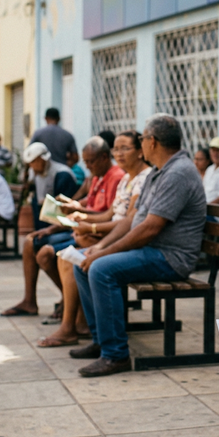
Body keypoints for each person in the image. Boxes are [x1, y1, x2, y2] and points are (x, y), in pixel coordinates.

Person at [69, 114, 205, 377]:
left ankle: (116, 355)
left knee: (100, 269)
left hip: (170, 257)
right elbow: (133, 220)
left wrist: (105, 253)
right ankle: (101, 340)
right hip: (152, 250)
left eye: (142, 139)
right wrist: (100, 247)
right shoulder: (158, 171)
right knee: (83, 261)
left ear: (152, 142)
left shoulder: (177, 173)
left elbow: (150, 228)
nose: (141, 143)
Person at [37, 130, 151, 347]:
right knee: (69, 257)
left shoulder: (142, 179)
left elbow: (129, 222)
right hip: (111, 234)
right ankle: (84, 327)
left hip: (124, 239)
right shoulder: (127, 177)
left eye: (125, 148)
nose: (119, 153)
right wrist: (84, 217)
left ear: (140, 151)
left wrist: (94, 230)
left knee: (76, 260)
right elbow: (109, 213)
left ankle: (81, 328)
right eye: (116, 148)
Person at [0, 141, 79, 317]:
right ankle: (29, 301)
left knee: (44, 252)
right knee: (29, 243)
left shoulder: (62, 175)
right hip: (50, 227)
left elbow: (68, 212)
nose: (33, 167)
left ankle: (70, 298)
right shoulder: (37, 174)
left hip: (65, 228)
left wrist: (50, 230)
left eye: (35, 163)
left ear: (44, 159)